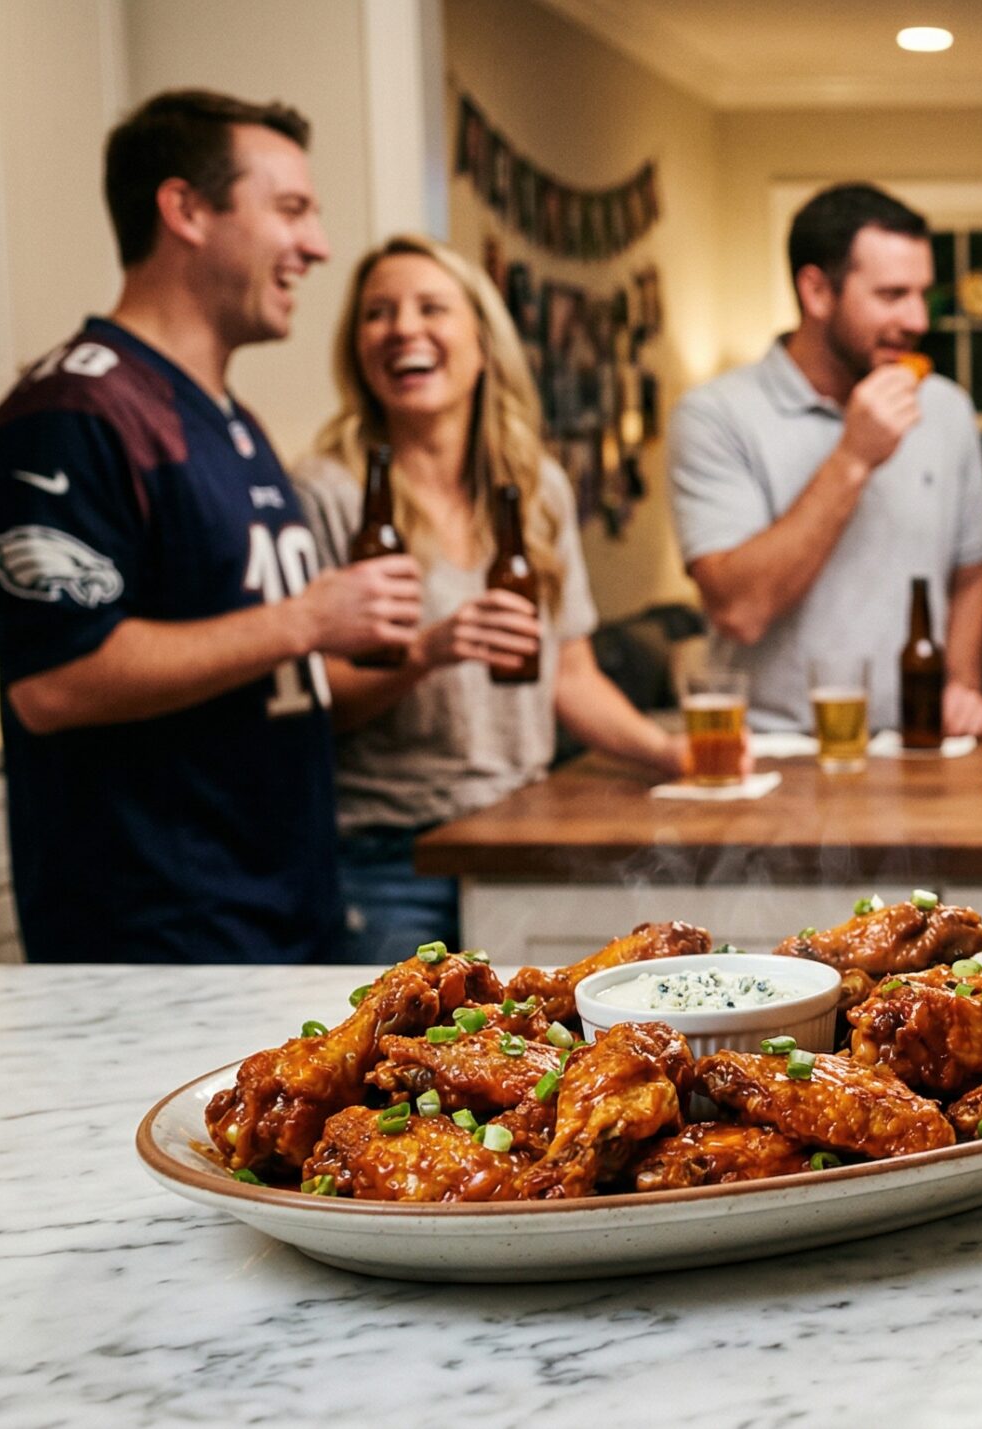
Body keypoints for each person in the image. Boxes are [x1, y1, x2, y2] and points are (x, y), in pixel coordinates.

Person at [0, 90, 415, 964]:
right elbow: (54, 681)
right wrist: (309, 618)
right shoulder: (74, 409)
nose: (318, 247)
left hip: (284, 911)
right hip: (158, 935)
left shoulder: (228, 417)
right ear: (186, 211)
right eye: (290, 210)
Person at [295, 235, 722, 962]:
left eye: (431, 307)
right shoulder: (328, 491)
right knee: (397, 1066)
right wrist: (428, 651)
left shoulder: (536, 488)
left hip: (522, 838)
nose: (403, 328)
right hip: (391, 857)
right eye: (378, 313)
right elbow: (316, 703)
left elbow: (573, 673)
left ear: (483, 341)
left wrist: (672, 753)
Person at [667, 183, 982, 736]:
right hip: (778, 754)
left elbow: (973, 572)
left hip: (920, 749)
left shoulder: (946, 408)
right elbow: (739, 612)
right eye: (892, 295)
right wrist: (852, 458)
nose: (918, 319)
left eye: (922, 294)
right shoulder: (714, 416)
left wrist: (960, 687)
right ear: (817, 292)